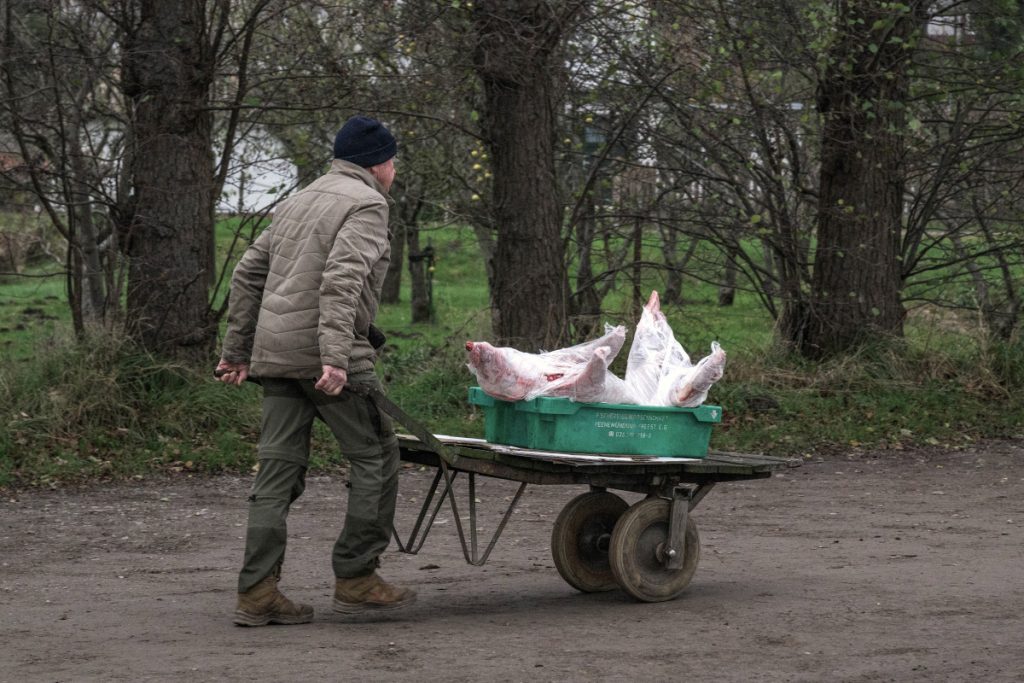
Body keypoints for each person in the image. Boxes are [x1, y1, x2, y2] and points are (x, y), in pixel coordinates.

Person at [216, 115, 415, 627]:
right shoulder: (367, 204)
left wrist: (238, 350)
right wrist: (335, 356)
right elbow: (342, 280)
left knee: (277, 471)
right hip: (328, 357)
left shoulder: (299, 200)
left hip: (276, 358)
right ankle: (356, 577)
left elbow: (248, 272)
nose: (393, 171)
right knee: (375, 455)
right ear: (380, 164)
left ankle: (257, 592)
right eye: (392, 162)